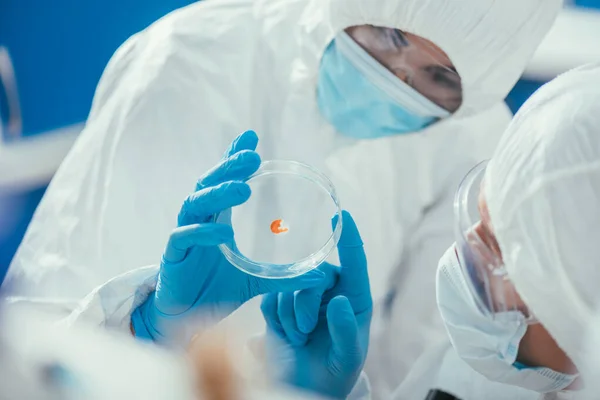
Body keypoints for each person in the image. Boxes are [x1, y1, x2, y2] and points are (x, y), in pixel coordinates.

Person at [6, 0, 561, 395]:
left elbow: (421, 374)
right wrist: (142, 328)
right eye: (391, 36)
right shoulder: (191, 63)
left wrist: (329, 392)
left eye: (438, 75)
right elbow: (32, 358)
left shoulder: (471, 139)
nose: (396, 78)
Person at [259, 63, 600, 400]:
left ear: (580, 295)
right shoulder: (486, 377)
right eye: (480, 216)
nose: (469, 242)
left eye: (499, 245)